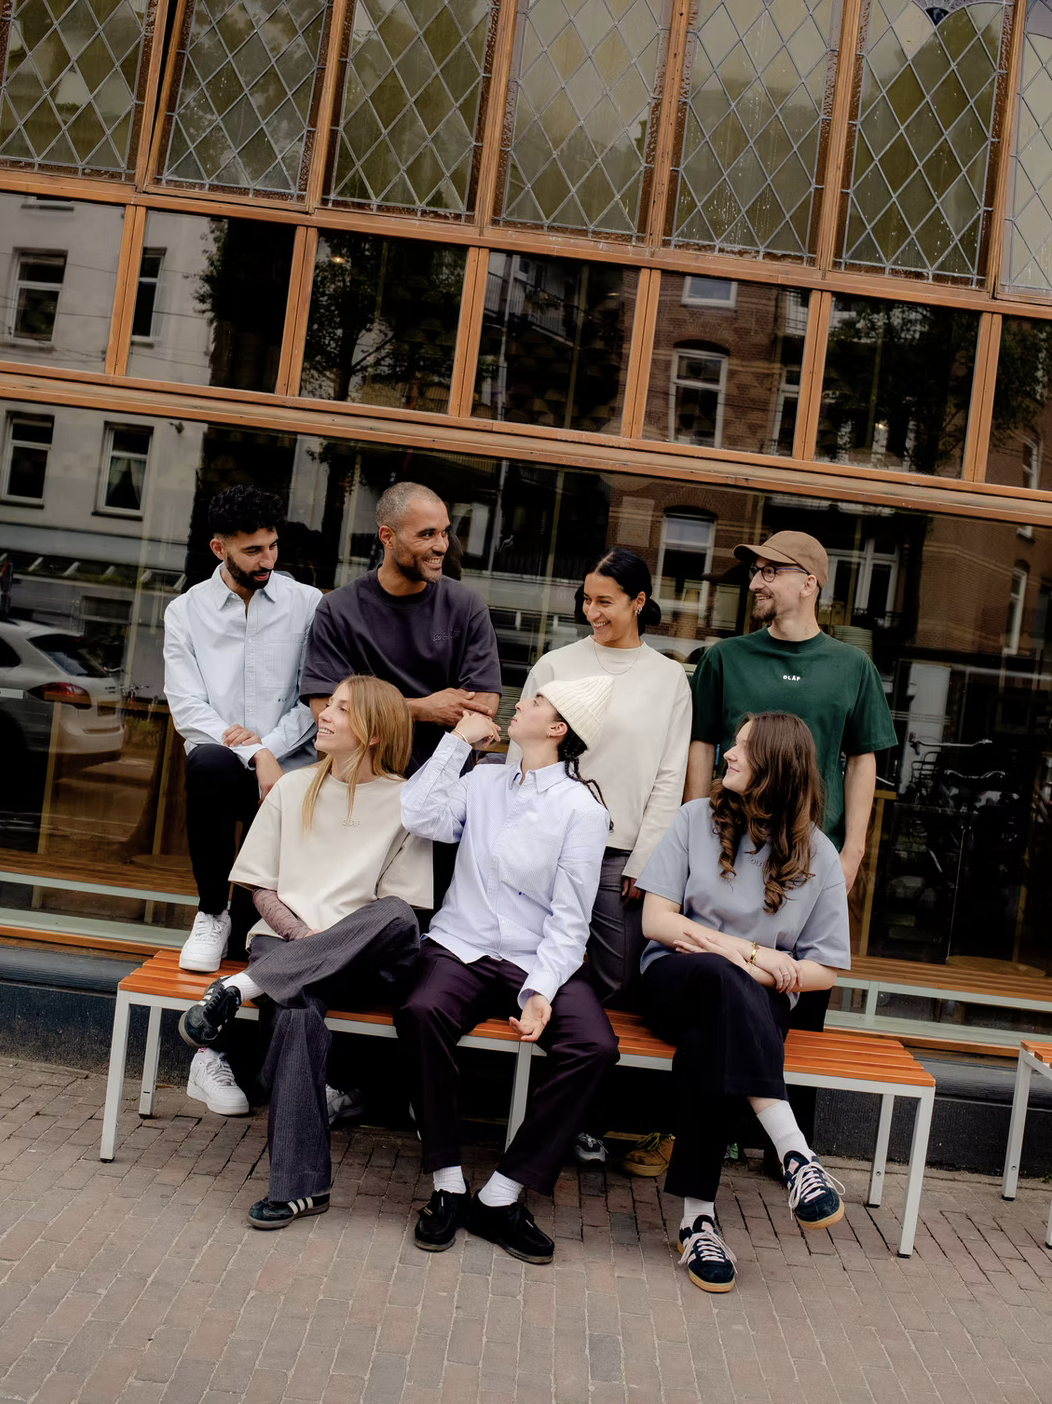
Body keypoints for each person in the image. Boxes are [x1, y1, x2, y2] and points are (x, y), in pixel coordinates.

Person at [176, 676, 432, 1230]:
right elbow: (260, 887)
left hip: (365, 958)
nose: (325, 714)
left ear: (372, 729)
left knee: (395, 918)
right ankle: (300, 1189)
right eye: (328, 704)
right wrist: (308, 943)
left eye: (341, 709)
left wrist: (322, 950)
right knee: (296, 1010)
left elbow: (400, 910)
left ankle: (239, 989)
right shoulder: (292, 789)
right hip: (287, 944)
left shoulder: (408, 804)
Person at [684, 529, 897, 1158]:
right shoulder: (725, 658)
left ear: (810, 582)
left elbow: (862, 761)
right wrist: (696, 825)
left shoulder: (851, 666)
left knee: (800, 1000)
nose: (756, 583)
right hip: (728, 856)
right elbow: (702, 747)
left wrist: (854, 849)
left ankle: (780, 1143)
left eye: (770, 572)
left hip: (810, 860)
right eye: (754, 572)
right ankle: (701, 1136)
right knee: (720, 984)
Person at [396, 675, 617, 1264]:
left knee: (594, 1046)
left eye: (539, 701)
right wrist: (456, 744)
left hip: (537, 957)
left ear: (557, 729)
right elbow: (419, 816)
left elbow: (572, 921)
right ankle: (446, 1182)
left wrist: (541, 990)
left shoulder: (582, 810)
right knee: (421, 1012)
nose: (523, 702)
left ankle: (501, 1193)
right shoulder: (485, 778)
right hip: (460, 944)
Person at [638, 712, 850, 1293]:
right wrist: (749, 955)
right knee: (721, 979)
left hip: (748, 1009)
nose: (729, 754)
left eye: (744, 748)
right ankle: (795, 1153)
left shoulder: (819, 855)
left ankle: (696, 1222)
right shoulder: (694, 820)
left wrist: (755, 970)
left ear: (775, 768)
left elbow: (825, 968)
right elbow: (658, 921)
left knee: (715, 1036)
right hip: (675, 981)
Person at [505, 548, 691, 1167]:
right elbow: (520, 755)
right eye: (586, 599)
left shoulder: (668, 678)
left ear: (639, 603)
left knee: (616, 976)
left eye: (605, 601)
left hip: (622, 851)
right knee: (541, 959)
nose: (592, 611)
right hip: (552, 841)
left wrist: (648, 856)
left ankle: (578, 1110)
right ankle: (561, 1114)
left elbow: (670, 775)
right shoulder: (556, 665)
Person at [163, 486, 321, 1117]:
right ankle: (209, 909)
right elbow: (187, 706)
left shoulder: (308, 604)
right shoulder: (186, 612)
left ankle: (218, 1056)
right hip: (223, 764)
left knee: (271, 925)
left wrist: (268, 751)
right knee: (203, 762)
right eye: (253, 549)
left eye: (273, 545)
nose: (266, 558)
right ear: (218, 547)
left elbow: (314, 697)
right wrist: (245, 754)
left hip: (288, 772)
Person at [300, 482, 502, 774]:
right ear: (387, 537)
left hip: (444, 784)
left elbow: (482, 707)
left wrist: (365, 711)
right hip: (360, 780)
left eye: (444, 532)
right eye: (427, 534)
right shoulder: (338, 610)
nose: (441, 545)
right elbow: (325, 710)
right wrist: (423, 709)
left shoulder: (466, 605)